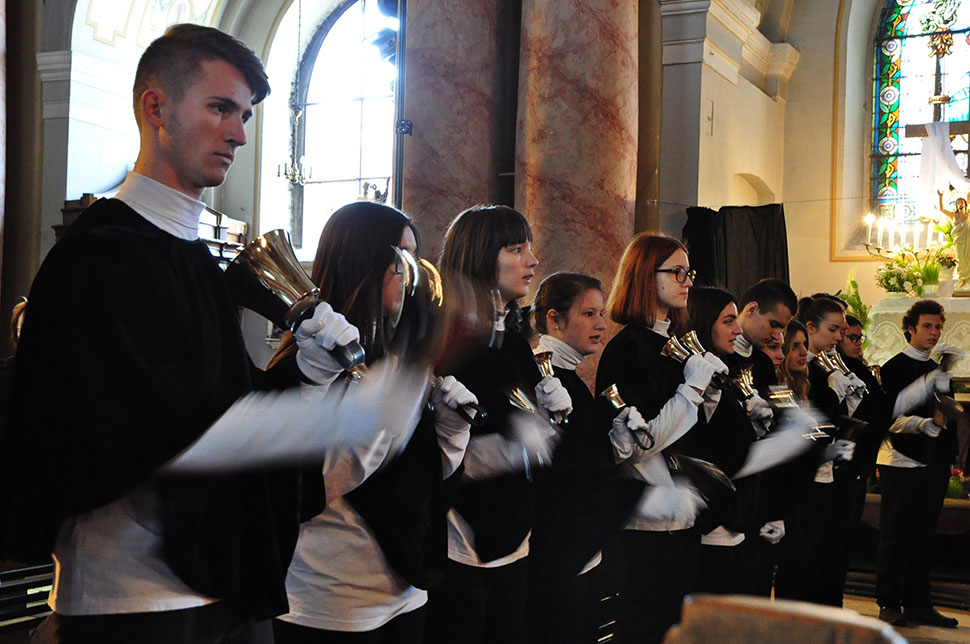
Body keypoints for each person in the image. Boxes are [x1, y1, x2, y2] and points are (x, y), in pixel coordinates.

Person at [0, 25, 424, 644]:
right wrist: (350, 415)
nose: (239, 134)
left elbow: (218, 402)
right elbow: (158, 433)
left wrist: (305, 379)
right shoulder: (102, 254)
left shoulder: (191, 255)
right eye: (220, 107)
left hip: (214, 583)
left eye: (246, 115)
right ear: (157, 108)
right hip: (135, 600)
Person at [268, 202, 476, 643]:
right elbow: (305, 490)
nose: (411, 271)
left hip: (405, 590)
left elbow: (421, 480)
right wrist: (388, 406)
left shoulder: (399, 358)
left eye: (415, 257)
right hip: (330, 601)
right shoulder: (305, 363)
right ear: (362, 260)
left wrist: (452, 432)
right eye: (399, 256)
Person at [424, 204, 571, 644]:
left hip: (513, 533)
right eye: (515, 249)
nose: (532, 261)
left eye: (530, 248)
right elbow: (436, 448)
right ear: (480, 255)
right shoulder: (451, 336)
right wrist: (514, 446)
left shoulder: (514, 337)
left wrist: (548, 421)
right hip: (462, 538)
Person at [595, 232, 726, 644]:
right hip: (647, 517)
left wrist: (709, 396)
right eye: (678, 272)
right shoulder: (628, 348)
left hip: (683, 513)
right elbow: (643, 441)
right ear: (644, 276)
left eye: (689, 272)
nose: (688, 281)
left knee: (674, 627)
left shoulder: (675, 344)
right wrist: (690, 391)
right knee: (643, 627)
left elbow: (693, 433)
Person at [527, 271, 643, 644]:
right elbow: (561, 474)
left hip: (576, 550)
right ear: (553, 319)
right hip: (559, 555)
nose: (600, 325)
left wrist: (617, 442)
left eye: (602, 314)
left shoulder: (571, 379)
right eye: (589, 314)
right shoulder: (547, 377)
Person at [875, 299, 958, 628]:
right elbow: (887, 415)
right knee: (897, 532)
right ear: (910, 328)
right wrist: (920, 425)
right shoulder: (894, 367)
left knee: (924, 534)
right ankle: (889, 602)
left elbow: (941, 409)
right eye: (927, 326)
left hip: (934, 461)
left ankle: (919, 603)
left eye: (938, 326)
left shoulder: (938, 369)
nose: (934, 332)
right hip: (903, 459)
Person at [685, 287, 764, 596]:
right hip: (711, 523)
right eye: (728, 321)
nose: (737, 329)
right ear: (705, 325)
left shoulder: (725, 375)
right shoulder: (695, 377)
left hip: (733, 520)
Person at [939, 191, 969, 287]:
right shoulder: (954, 215)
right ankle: (962, 278)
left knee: (968, 259)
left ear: (965, 204)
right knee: (961, 260)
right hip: (959, 241)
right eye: (958, 202)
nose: (960, 203)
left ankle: (968, 279)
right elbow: (942, 209)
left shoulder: (968, 216)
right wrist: (940, 196)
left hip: (968, 241)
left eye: (962, 202)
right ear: (956, 205)